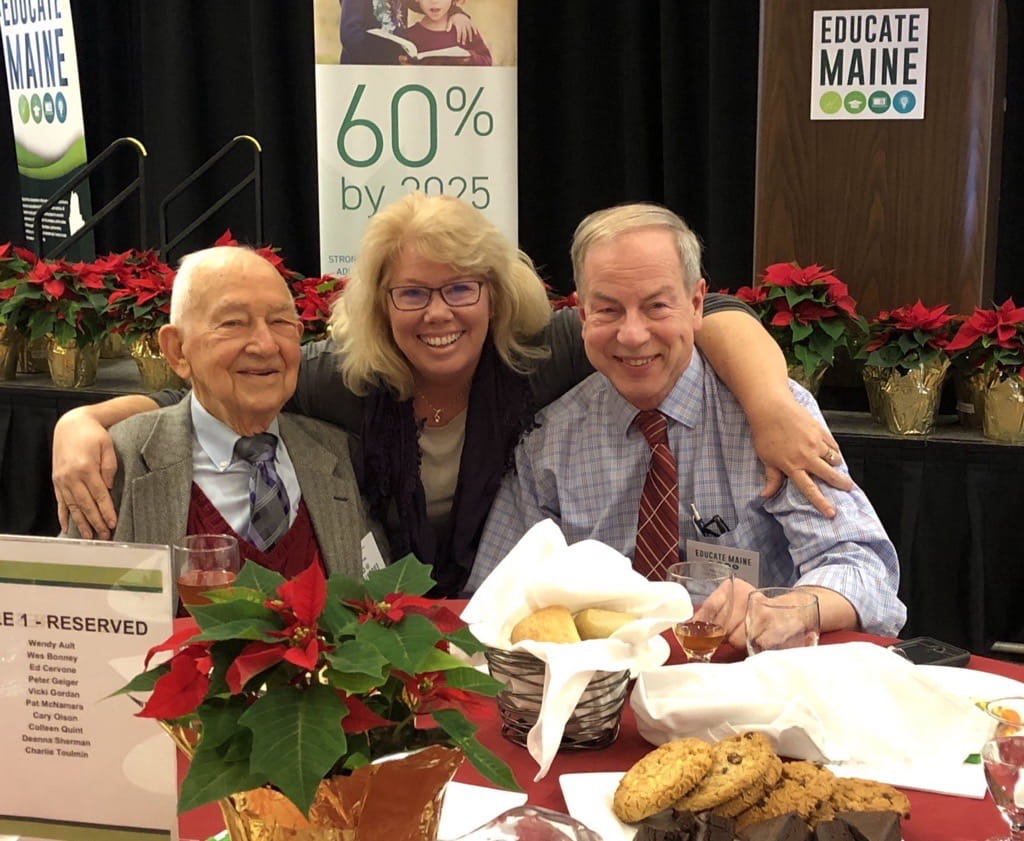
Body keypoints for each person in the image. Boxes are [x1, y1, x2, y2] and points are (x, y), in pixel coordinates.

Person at [52, 193, 851, 595]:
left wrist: (772, 402)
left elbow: (702, 316)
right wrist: (87, 418)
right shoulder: (342, 376)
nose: (438, 314)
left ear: (496, 291)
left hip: (492, 629)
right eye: (412, 294)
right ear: (380, 305)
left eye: (461, 287)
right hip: (408, 638)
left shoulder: (547, 354)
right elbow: (225, 394)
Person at [471, 203, 905, 641]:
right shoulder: (548, 443)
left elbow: (861, 565)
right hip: (602, 689)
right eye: (608, 310)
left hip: (746, 679)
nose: (633, 334)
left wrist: (788, 608)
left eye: (656, 306)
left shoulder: (773, 418)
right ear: (582, 315)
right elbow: (494, 595)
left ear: (696, 303)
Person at [64, 246, 376, 581]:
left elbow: (373, 595)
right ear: (177, 350)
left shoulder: (336, 455)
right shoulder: (118, 460)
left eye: (280, 321)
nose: (266, 345)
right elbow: (71, 611)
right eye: (233, 323)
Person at [339, 0, 477, 64]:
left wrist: (456, 12)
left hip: (397, 70)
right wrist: (391, 58)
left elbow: (424, 3)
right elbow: (350, 35)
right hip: (361, 72)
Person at [397, 0, 492, 65]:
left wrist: (468, 59)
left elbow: (487, 61)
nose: (434, 1)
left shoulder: (464, 28)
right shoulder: (409, 36)